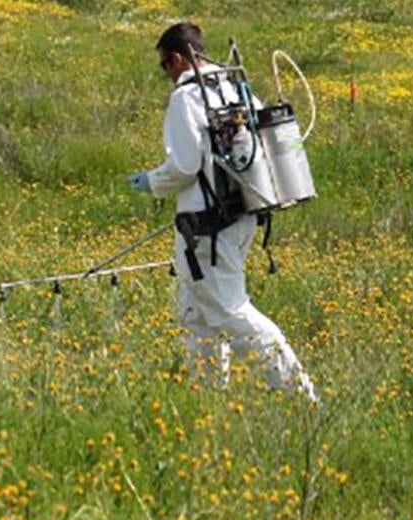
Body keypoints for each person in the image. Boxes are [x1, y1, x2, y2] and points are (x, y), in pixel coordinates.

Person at [129, 22, 317, 402]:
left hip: (209, 229)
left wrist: (151, 181)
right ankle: (208, 400)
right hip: (241, 216)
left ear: (178, 59)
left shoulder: (187, 97)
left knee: (231, 312)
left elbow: (185, 165)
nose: (166, 74)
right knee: (196, 314)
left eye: (164, 65)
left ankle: (302, 397)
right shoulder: (234, 86)